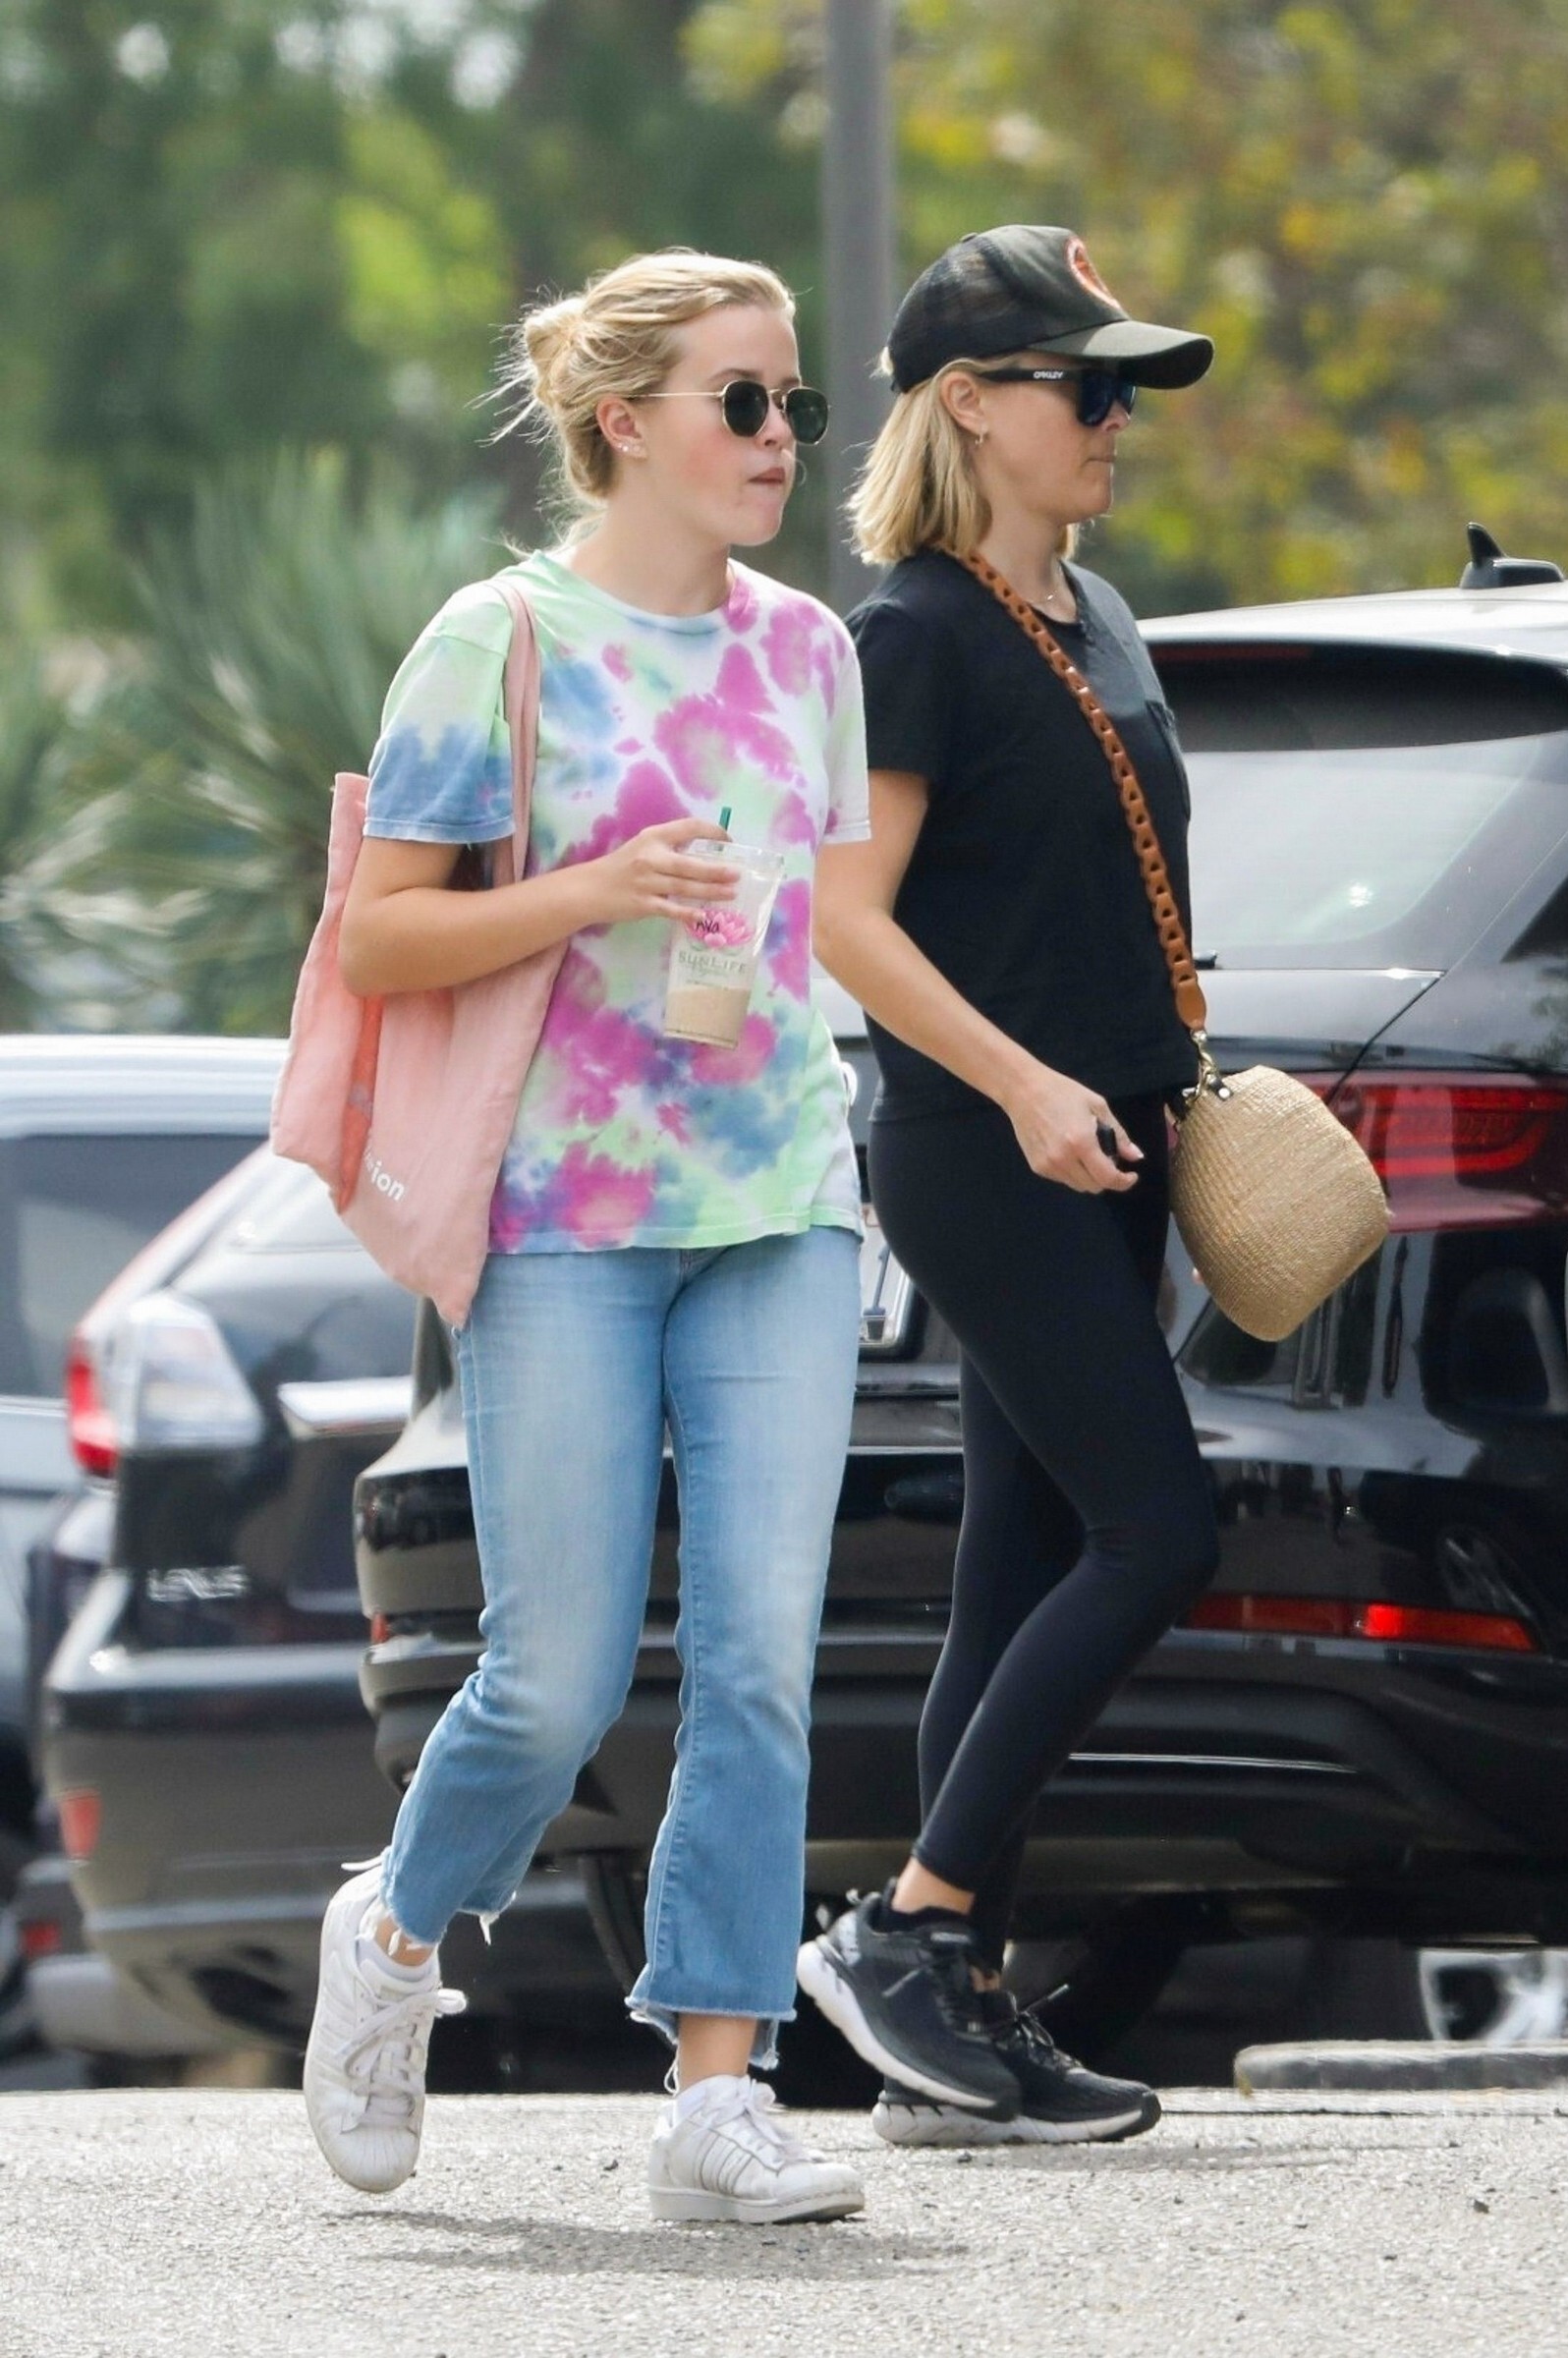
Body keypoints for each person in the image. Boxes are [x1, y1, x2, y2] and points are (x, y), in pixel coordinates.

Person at [302, 249, 871, 2226]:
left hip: (780, 1193)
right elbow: (384, 937)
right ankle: (395, 1928)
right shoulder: (500, 641)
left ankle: (718, 2091)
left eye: (795, 403)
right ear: (624, 421)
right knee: (550, 1677)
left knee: (761, 1658)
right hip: (562, 1214)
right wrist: (592, 889)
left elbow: (823, 924)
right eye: (744, 401)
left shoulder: (809, 648)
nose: (782, 438)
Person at [799, 226, 1219, 2146]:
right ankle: (911, 1927)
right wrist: (1030, 1082)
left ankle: (951, 2023)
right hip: (987, 1148)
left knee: (1018, 1567)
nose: (1117, 418)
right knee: (1157, 1531)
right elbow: (844, 923)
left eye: (1127, 389)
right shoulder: (913, 633)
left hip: (1110, 1137)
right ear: (969, 403)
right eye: (1085, 386)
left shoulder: (1095, 615)